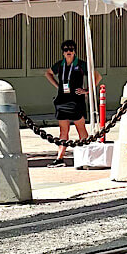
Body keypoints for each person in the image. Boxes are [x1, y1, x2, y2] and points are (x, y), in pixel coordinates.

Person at [44, 39, 102, 167]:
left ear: (75, 51)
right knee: (63, 131)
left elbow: (97, 76)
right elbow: (48, 73)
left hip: (76, 101)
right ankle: (59, 158)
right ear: (63, 52)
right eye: (66, 50)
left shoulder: (81, 64)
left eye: (71, 49)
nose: (68, 52)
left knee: (80, 128)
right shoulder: (60, 65)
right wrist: (57, 86)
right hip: (62, 100)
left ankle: (87, 156)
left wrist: (87, 90)